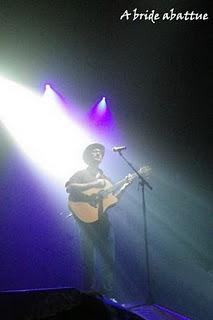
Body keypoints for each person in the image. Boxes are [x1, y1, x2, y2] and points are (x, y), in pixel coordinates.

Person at [65, 143, 133, 297]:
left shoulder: (106, 179)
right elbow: (69, 188)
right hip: (85, 224)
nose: (98, 154)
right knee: (88, 261)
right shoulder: (80, 174)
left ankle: (106, 297)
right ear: (88, 157)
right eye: (94, 152)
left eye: (100, 152)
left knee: (108, 260)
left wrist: (125, 186)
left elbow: (112, 201)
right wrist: (94, 184)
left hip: (104, 223)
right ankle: (87, 295)